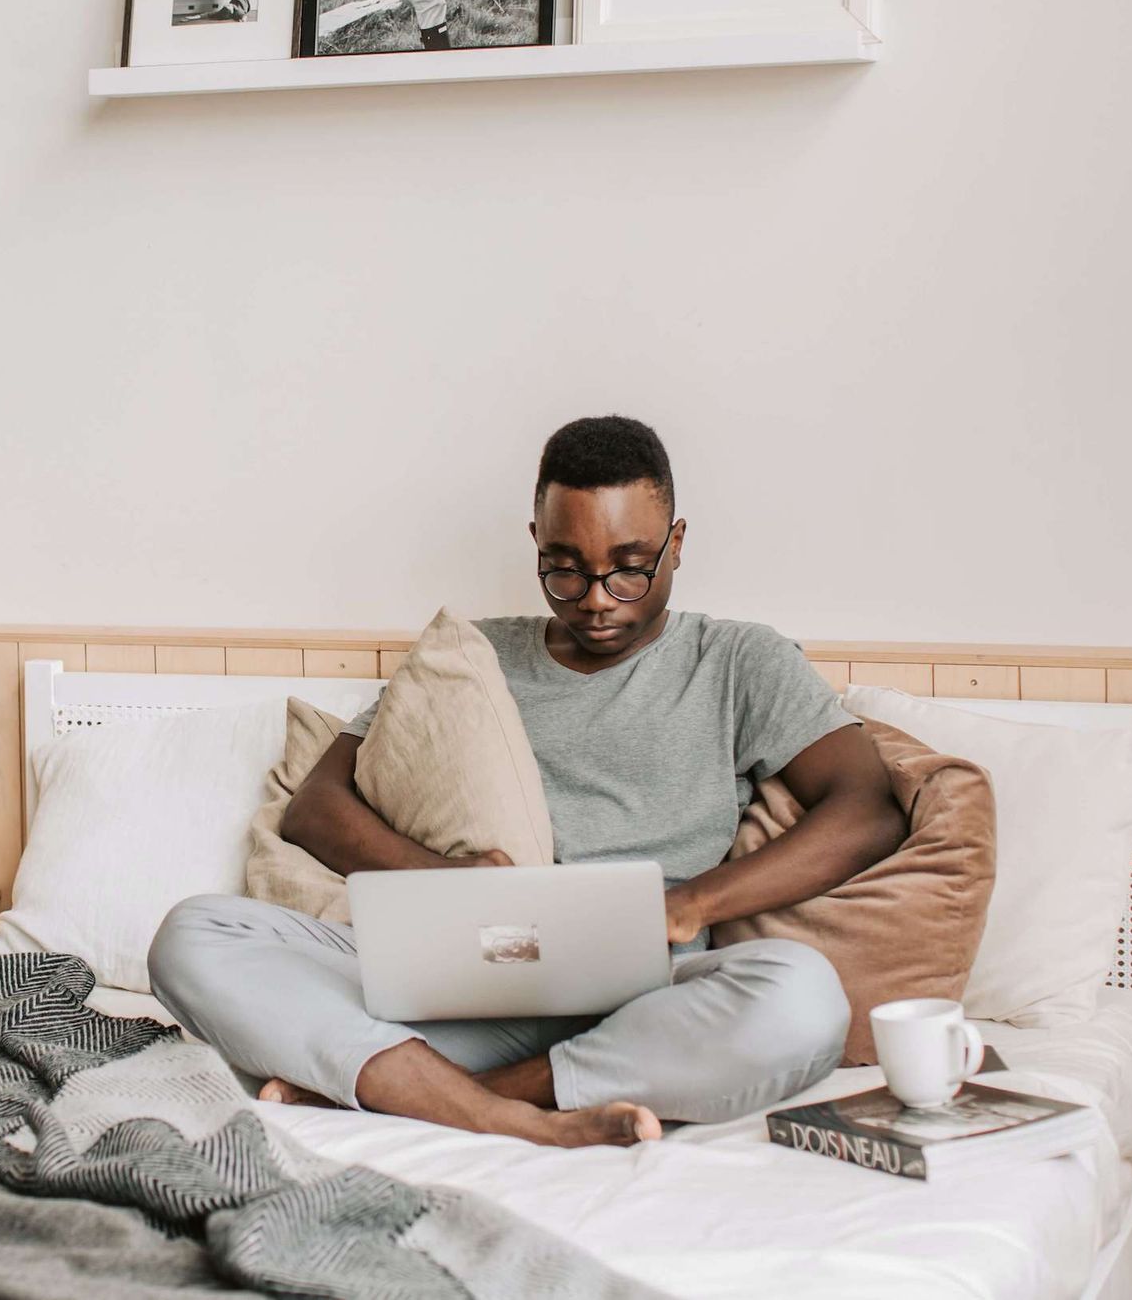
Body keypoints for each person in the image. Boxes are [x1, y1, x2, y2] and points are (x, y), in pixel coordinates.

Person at [149, 416, 908, 1149]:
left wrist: (690, 905)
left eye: (631, 566)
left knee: (803, 1000)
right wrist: (449, 882)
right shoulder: (471, 654)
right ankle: (497, 1111)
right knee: (192, 934)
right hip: (470, 980)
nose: (598, 597)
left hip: (650, 999)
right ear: (536, 543)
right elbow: (315, 808)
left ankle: (455, 1094)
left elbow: (866, 811)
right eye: (565, 568)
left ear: (677, 545)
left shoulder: (741, 662)